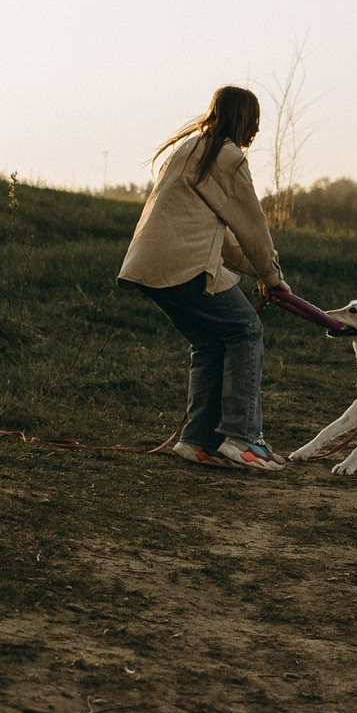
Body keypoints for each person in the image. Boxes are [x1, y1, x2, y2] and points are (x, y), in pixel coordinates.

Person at [118, 85, 290, 472]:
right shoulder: (226, 158)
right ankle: (243, 439)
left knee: (211, 339)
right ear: (244, 119)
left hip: (149, 267)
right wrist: (273, 277)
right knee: (246, 330)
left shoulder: (190, 151)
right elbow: (252, 226)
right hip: (184, 266)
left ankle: (199, 441)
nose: (256, 132)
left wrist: (261, 273)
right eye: (255, 122)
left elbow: (223, 238)